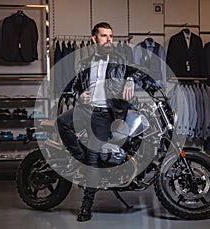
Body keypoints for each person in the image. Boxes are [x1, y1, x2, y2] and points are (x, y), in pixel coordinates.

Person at [56, 22, 147, 222]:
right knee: (61, 122)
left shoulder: (120, 59)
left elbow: (141, 72)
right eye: (104, 36)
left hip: (104, 114)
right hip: (85, 110)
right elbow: (77, 88)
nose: (109, 40)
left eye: (111, 36)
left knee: (94, 157)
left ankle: (86, 206)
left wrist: (130, 80)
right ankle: (79, 155)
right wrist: (81, 96)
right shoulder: (83, 63)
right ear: (94, 39)